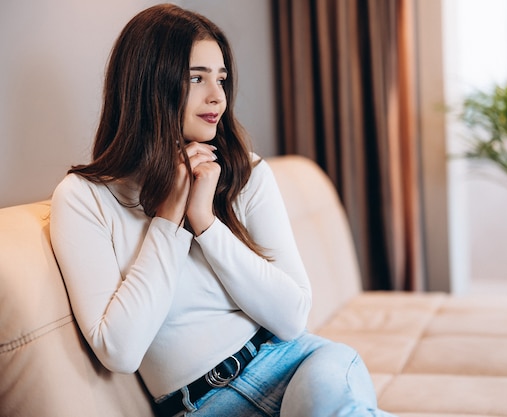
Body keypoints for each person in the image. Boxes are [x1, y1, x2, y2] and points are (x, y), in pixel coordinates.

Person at [50, 4, 395, 417]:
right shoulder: (84, 198)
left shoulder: (245, 172)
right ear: (148, 84)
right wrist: (168, 220)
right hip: (202, 405)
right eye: (196, 78)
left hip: (299, 365)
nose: (218, 96)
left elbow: (291, 317)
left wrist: (206, 224)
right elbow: (120, 351)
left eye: (221, 78)